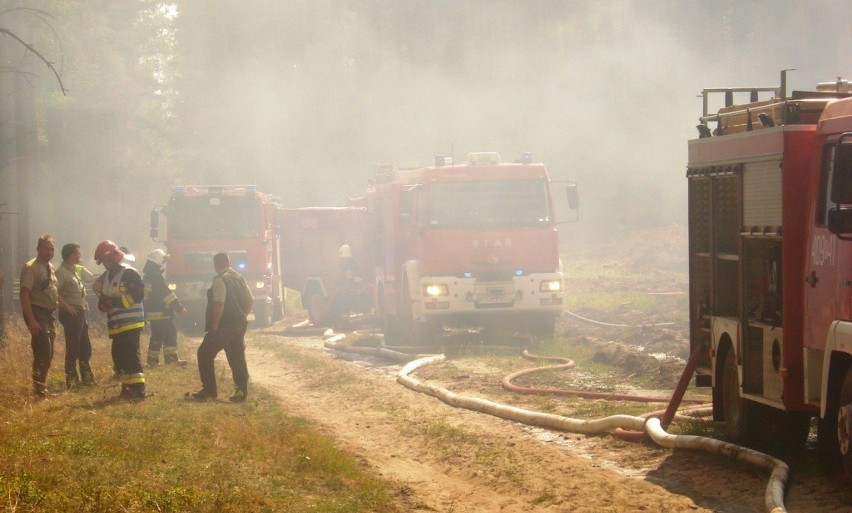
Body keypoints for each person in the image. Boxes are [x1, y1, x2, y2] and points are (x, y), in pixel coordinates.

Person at [192, 252, 253, 402]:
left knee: (204, 353)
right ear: (229, 262)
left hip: (225, 324)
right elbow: (250, 299)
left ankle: (209, 390)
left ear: (216, 265)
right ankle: (241, 393)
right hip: (239, 322)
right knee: (236, 357)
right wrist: (242, 316)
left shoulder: (220, 280)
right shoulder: (239, 278)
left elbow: (219, 304)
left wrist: (215, 323)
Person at [93, 240, 146, 401]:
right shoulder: (107, 277)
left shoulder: (129, 272)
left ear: (115, 257)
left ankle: (138, 390)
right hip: (116, 325)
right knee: (120, 357)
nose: (105, 264)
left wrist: (113, 303)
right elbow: (103, 297)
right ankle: (127, 389)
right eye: (103, 261)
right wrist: (102, 305)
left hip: (131, 322)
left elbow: (136, 296)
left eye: (107, 260)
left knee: (131, 356)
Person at [19, 235, 58, 398]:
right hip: (36, 311)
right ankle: (38, 389)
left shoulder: (51, 267)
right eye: (45, 249)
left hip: (49, 314)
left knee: (50, 352)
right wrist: (32, 320)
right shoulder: (31, 267)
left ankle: (43, 385)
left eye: (51, 249)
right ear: (38, 249)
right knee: (43, 349)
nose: (49, 252)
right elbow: (24, 295)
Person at [55, 243, 95, 388]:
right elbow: (54, 292)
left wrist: (81, 265)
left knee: (85, 346)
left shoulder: (75, 270)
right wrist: (67, 307)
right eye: (78, 254)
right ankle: (71, 380)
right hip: (71, 315)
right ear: (71, 255)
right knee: (73, 347)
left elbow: (90, 278)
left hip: (81, 314)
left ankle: (87, 377)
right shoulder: (61, 272)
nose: (80, 256)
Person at [142, 249, 186, 366]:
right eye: (163, 260)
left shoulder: (149, 275)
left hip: (156, 311)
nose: (164, 262)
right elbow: (167, 294)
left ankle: (158, 360)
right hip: (160, 312)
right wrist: (178, 306)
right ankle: (159, 360)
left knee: (163, 333)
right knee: (163, 334)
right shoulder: (155, 276)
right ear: (158, 260)